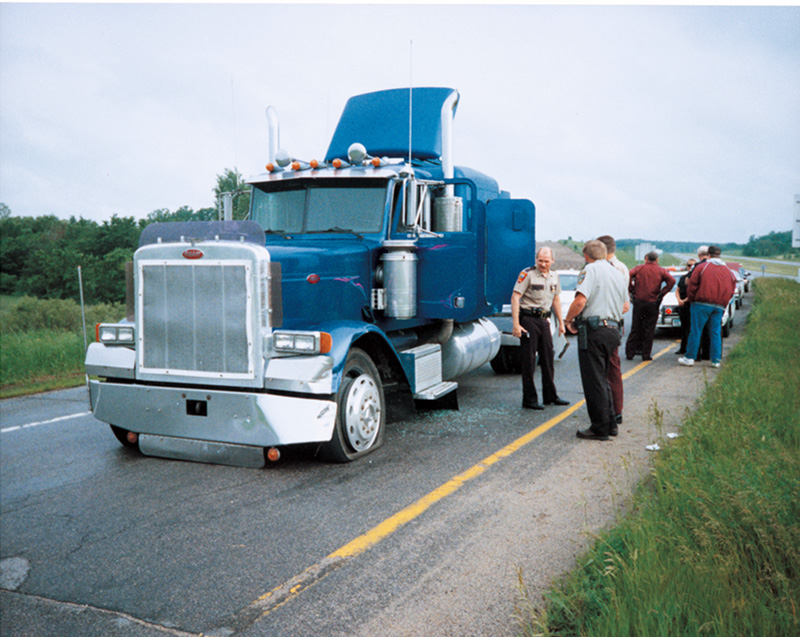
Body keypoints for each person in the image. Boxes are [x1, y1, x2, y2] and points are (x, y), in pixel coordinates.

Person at [564, 240, 627, 440]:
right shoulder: (617, 272)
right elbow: (626, 305)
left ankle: (599, 427)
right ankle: (610, 424)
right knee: (605, 377)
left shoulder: (589, 270)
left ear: (586, 256)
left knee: (594, 381)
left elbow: (581, 300)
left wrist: (568, 319)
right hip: (613, 329)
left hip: (595, 330)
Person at [511, 246, 570, 410]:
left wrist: (561, 323)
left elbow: (556, 300)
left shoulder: (554, 276)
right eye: (540, 260)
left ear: (552, 261)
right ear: (536, 260)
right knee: (529, 360)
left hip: (544, 320)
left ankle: (550, 396)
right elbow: (516, 297)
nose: (543, 264)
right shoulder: (527, 274)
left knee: (548, 358)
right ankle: (529, 399)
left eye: (546, 261)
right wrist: (516, 324)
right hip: (528, 319)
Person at [679, 245, 736, 368]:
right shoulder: (728, 270)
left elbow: (692, 286)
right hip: (719, 306)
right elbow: (732, 290)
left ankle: (690, 357)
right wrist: (723, 304)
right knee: (715, 332)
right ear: (719, 255)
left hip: (701, 304)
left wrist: (693, 300)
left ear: (708, 255)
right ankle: (715, 360)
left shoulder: (702, 267)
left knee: (695, 331)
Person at [596, 235, 628, 427]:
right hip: (614, 322)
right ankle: (612, 409)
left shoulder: (614, 268)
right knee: (611, 368)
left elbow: (624, 304)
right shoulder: (621, 267)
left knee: (610, 368)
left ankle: (614, 410)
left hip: (610, 322)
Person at [625, 252, 675, 361]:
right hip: (652, 301)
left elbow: (628, 275)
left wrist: (631, 289)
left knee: (636, 327)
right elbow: (672, 281)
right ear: (657, 260)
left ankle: (630, 353)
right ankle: (645, 354)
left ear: (646, 258)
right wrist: (662, 293)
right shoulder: (661, 270)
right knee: (649, 329)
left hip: (639, 301)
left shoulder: (639, 268)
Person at [675, 257, 697, 354]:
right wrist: (679, 300)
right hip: (683, 305)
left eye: (693, 265)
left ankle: (691, 349)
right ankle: (683, 348)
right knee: (684, 328)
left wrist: (685, 300)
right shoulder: (683, 277)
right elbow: (677, 290)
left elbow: (694, 292)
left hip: (691, 304)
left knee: (691, 328)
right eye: (689, 265)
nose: (690, 267)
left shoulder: (696, 278)